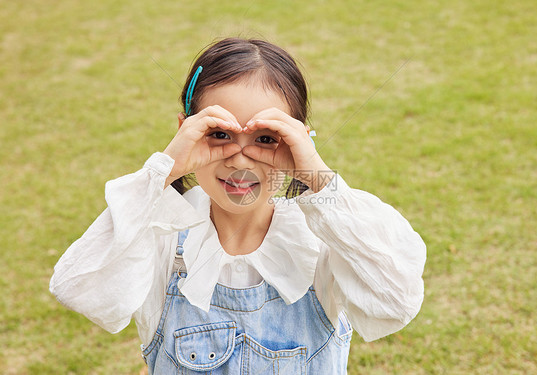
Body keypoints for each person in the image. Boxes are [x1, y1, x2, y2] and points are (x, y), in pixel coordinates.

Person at [50, 37, 426, 374]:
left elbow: (396, 301)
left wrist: (318, 178)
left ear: (300, 140)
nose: (241, 160)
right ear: (185, 131)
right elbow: (81, 290)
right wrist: (161, 173)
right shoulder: (162, 237)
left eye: (266, 138)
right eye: (219, 135)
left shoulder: (323, 241)